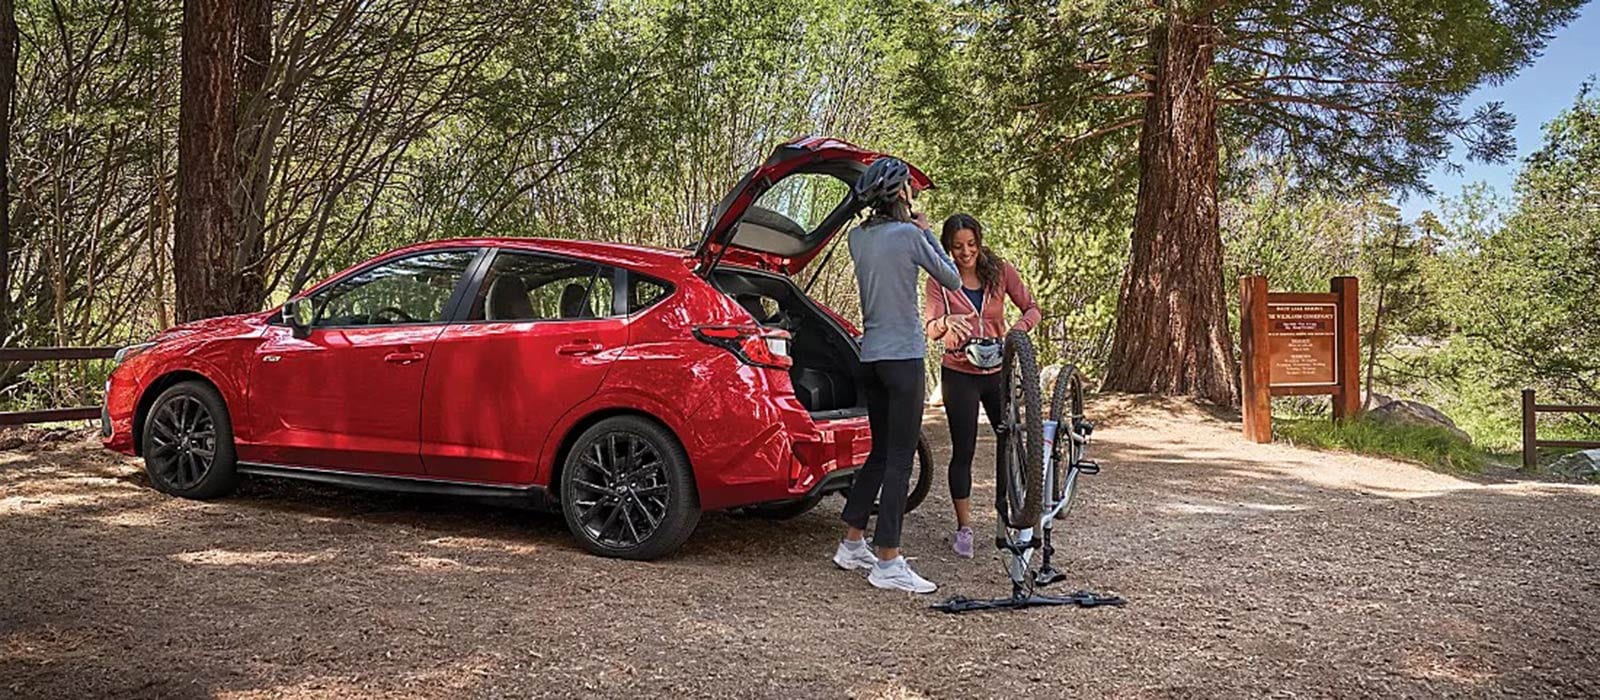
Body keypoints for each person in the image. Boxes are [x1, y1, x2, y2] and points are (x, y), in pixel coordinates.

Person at [831, 157, 966, 594]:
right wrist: (925, 230)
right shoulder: (910, 235)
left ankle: (852, 543)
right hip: (904, 357)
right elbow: (951, 278)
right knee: (900, 458)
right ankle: (887, 559)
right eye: (909, 188)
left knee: (880, 453)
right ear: (901, 194)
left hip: (870, 357)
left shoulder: (857, 238)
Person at [923, 213, 1040, 558]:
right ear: (948, 247)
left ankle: (1009, 516)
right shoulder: (939, 278)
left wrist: (1017, 331)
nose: (965, 252)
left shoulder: (1000, 271)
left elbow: (1033, 309)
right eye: (958, 246)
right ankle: (964, 529)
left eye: (971, 244)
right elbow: (929, 329)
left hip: (997, 372)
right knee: (964, 451)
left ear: (980, 242)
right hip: (958, 372)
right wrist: (945, 322)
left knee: (1010, 441)